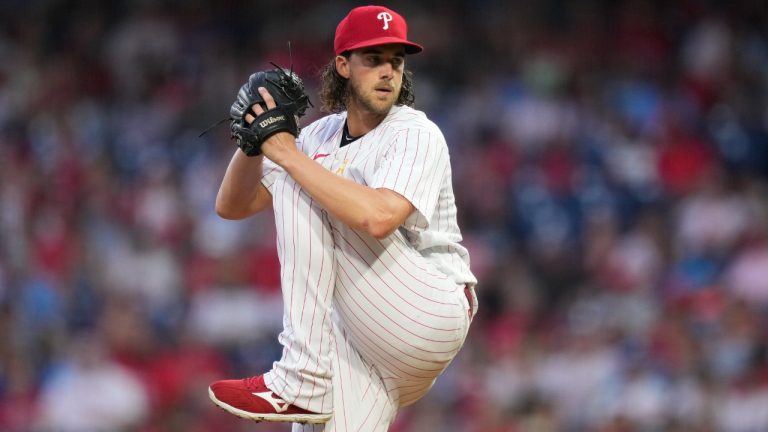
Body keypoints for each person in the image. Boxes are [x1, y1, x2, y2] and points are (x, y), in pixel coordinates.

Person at [207, 5, 477, 431]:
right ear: (343, 65)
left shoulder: (414, 131)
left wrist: (286, 154)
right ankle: (305, 381)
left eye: (397, 60)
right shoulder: (317, 135)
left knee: (303, 178)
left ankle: (301, 377)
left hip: (427, 309)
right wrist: (254, 139)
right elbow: (232, 207)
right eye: (374, 59)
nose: (389, 71)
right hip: (363, 339)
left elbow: (378, 218)